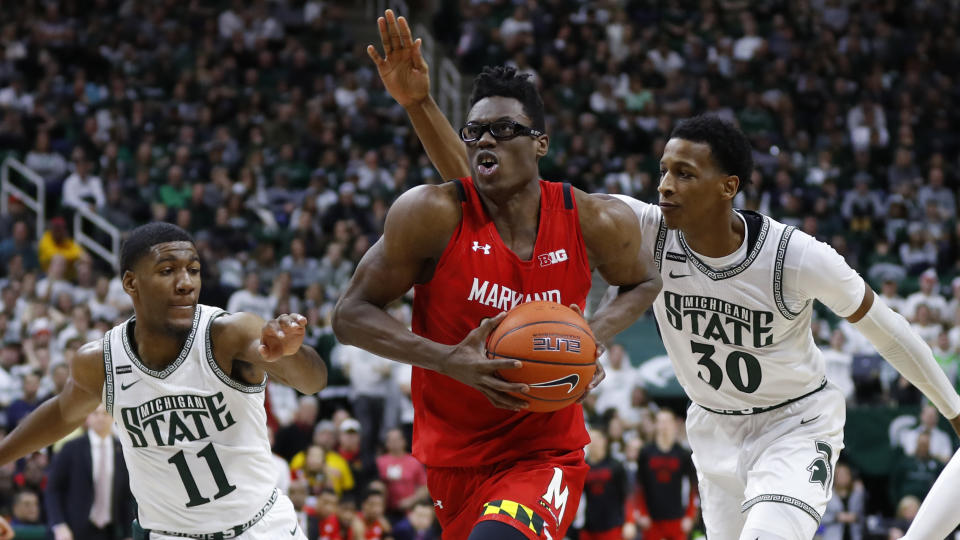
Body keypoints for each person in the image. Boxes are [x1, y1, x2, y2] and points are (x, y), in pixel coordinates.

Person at [388, 14, 960, 537]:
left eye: (684, 174)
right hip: (711, 428)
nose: (664, 186)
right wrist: (421, 106)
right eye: (663, 170)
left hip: (795, 423)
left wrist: (954, 409)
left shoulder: (796, 256)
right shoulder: (644, 227)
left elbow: (887, 329)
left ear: (727, 186)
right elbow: (493, 195)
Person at [333, 12, 661, 540]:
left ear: (541, 143)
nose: (487, 140)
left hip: (545, 452)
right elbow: (348, 315)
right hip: (453, 458)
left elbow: (644, 280)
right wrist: (446, 360)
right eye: (476, 132)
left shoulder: (592, 219)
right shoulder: (430, 215)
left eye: (505, 130)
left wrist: (590, 336)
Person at [0, 222, 327, 539]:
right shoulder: (101, 361)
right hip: (170, 534)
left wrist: (290, 352)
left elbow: (313, 382)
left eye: (194, 270)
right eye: (167, 270)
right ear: (131, 283)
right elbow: (62, 413)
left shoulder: (228, 333)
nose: (186, 282)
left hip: (259, 529)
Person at [46, 404, 134, 540]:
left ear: (113, 417)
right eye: (95, 413)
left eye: (105, 413)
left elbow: (128, 496)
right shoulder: (71, 448)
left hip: (110, 531)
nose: (100, 418)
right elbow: (53, 490)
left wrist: (129, 534)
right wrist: (59, 524)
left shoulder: (123, 451)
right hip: (73, 530)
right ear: (87, 417)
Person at [633, 409, 697, 540]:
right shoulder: (645, 453)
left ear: (674, 425)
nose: (664, 426)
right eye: (661, 422)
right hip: (651, 520)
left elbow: (693, 487)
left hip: (677, 518)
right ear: (656, 425)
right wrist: (642, 512)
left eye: (667, 421)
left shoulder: (683, 454)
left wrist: (689, 516)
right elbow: (639, 486)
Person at [580, 429, 628, 540]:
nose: (593, 442)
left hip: (612, 525)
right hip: (588, 526)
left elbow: (626, 494)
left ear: (604, 441)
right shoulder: (582, 467)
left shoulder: (616, 466)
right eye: (590, 439)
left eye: (597, 439)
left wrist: (628, 521)